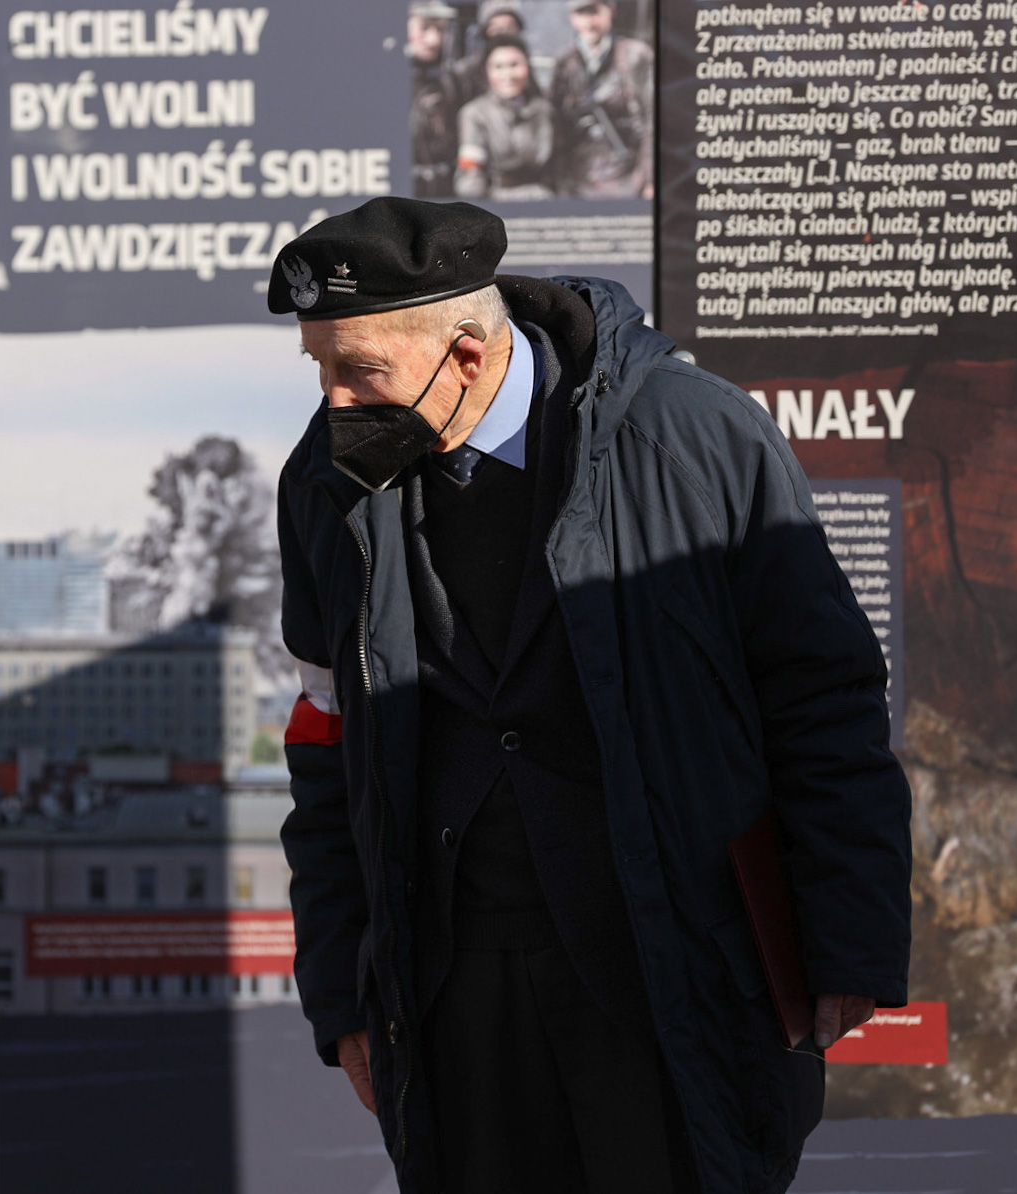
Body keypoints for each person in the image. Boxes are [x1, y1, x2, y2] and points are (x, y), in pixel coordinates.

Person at [266, 196, 912, 1193]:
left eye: (359, 371)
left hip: (673, 973)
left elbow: (821, 701)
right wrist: (343, 991)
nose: (334, 401)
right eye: (319, 367)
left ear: (466, 355)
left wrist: (847, 943)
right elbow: (323, 746)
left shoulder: (691, 436)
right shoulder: (325, 482)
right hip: (454, 1003)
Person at [549, 0, 654, 198]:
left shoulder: (636, 56)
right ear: (571, 17)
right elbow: (556, 126)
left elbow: (652, 119)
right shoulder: (564, 62)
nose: (588, 21)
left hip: (630, 173)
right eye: (581, 13)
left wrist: (650, 178)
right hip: (577, 177)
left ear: (611, 11)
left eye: (594, 12)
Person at [454, 34, 554, 200]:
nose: (508, 75)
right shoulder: (474, 114)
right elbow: (470, 177)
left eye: (514, 65)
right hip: (498, 200)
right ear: (487, 71)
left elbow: (560, 165)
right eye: (498, 67)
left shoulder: (544, 110)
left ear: (527, 67)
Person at [407, 0, 475, 197]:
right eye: (424, 28)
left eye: (441, 30)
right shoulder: (385, 80)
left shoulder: (452, 81)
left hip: (444, 188)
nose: (434, 40)